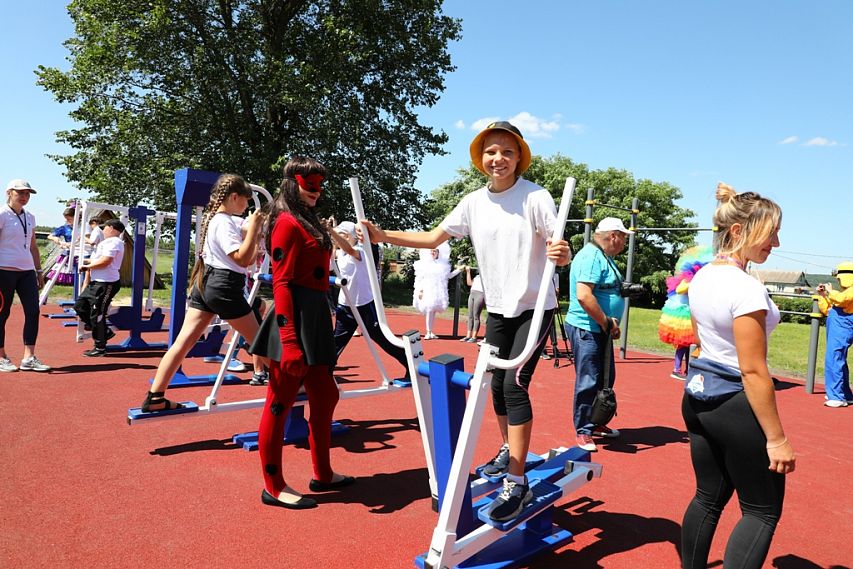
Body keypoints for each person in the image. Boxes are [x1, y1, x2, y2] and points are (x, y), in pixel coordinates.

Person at [360, 121, 571, 522]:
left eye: (507, 152)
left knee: (514, 384)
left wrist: (563, 251)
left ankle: (517, 481)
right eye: (492, 151)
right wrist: (382, 234)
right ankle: (510, 448)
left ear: (518, 158)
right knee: (493, 387)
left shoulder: (536, 197)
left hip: (534, 307)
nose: (499, 159)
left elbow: (558, 244)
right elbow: (433, 237)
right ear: (481, 158)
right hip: (498, 307)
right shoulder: (473, 202)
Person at [680, 182, 795, 569]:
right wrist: (777, 439)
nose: (775, 242)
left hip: (699, 397)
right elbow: (753, 370)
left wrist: (723, 201)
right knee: (761, 512)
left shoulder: (703, 276)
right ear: (738, 232)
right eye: (770, 232)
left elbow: (699, 338)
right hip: (735, 403)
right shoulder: (744, 288)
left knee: (707, 498)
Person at [250, 156, 354, 510]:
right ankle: (274, 485)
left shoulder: (305, 220)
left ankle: (322, 473)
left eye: (319, 185)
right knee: (278, 404)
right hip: (292, 318)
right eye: (309, 184)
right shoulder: (286, 223)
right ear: (293, 182)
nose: (316, 191)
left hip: (314, 316)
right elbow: (280, 283)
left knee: (325, 396)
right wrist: (290, 341)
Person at [139, 173, 263, 412]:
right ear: (234, 197)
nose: (247, 206)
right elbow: (242, 257)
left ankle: (155, 397)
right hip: (224, 285)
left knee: (183, 342)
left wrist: (254, 228)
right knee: (260, 341)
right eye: (245, 200)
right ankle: (298, 385)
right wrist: (254, 232)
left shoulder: (217, 219)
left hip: (205, 283)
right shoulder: (224, 221)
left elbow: (244, 231)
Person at [565, 217, 632, 452]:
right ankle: (583, 429)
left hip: (600, 328)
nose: (624, 242)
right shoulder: (591, 256)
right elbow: (584, 296)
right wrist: (606, 321)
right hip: (588, 328)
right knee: (589, 380)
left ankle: (596, 422)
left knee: (605, 379)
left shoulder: (604, 258)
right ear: (613, 236)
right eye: (623, 237)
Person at [331, 220, 409, 380]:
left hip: (364, 304)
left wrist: (331, 231)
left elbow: (349, 249)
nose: (335, 240)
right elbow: (333, 258)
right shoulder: (340, 253)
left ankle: (409, 363)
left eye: (339, 235)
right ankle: (322, 373)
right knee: (336, 341)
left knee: (381, 338)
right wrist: (329, 233)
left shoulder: (361, 250)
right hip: (346, 304)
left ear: (347, 236)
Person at [0, 179, 50, 372]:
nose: (24, 196)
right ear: (9, 192)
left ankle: (29, 357)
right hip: (4, 271)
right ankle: (2, 356)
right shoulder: (2, 214)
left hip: (27, 272)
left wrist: (39, 271)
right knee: (2, 314)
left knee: (33, 311)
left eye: (27, 193)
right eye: (20, 192)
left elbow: (33, 246)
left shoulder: (30, 216)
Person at [657, 245, 713, 380]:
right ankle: (676, 369)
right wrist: (693, 284)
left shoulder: (701, 282)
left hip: (693, 314)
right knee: (682, 344)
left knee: (691, 344)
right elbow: (680, 290)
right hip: (683, 314)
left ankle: (689, 369)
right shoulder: (687, 280)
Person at [75, 219, 125, 357]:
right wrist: (85, 261)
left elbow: (105, 261)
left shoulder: (115, 242)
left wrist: (87, 266)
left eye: (104, 228)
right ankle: (105, 332)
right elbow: (97, 259)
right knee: (80, 306)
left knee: (97, 315)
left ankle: (100, 347)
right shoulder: (104, 243)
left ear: (111, 228)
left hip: (106, 283)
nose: (102, 231)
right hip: (96, 282)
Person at [817, 261, 853, 407]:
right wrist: (822, 295)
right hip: (837, 325)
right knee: (839, 359)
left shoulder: (847, 293)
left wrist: (830, 292)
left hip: (843, 327)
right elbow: (830, 310)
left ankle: (837, 397)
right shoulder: (844, 292)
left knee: (834, 358)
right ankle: (844, 393)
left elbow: (840, 299)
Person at [412, 243, 460, 339]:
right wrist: (420, 290)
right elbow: (420, 278)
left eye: (435, 251)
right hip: (428, 289)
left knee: (433, 311)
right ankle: (428, 332)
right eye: (432, 251)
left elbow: (448, 276)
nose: (433, 253)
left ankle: (431, 331)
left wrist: (458, 270)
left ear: (438, 253)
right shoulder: (424, 264)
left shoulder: (442, 265)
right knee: (429, 310)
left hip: (438, 290)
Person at [45, 206, 77, 286]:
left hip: (78, 252)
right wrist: (57, 240)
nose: (67, 221)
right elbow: (50, 236)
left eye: (69, 219)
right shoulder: (65, 228)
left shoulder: (82, 227)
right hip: (67, 251)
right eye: (66, 219)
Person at [460, 265, 485, 343]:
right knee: (470, 316)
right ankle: (468, 336)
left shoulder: (486, 277)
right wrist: (468, 272)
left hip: (480, 294)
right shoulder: (477, 277)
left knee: (476, 316)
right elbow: (469, 283)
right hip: (472, 294)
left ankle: (474, 337)